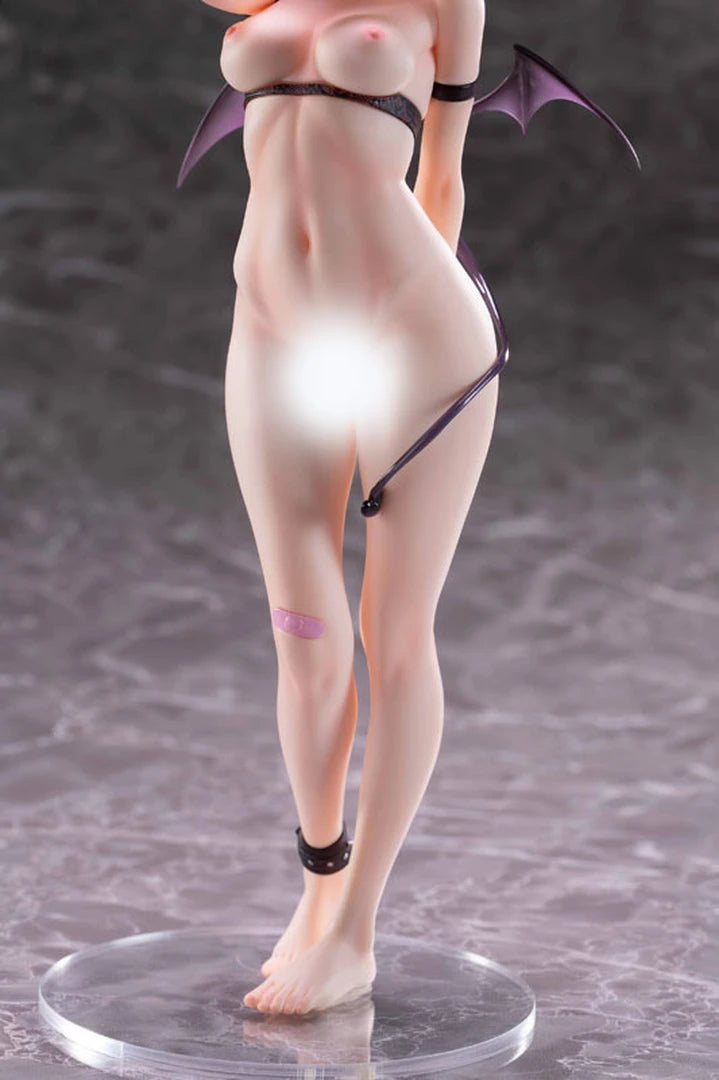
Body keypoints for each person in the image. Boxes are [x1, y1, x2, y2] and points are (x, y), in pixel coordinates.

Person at [204, 0, 503, 1015]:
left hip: (409, 328)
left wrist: (381, 329)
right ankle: (318, 882)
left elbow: (442, 174)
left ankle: (356, 932)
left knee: (393, 632)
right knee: (300, 630)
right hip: (268, 330)